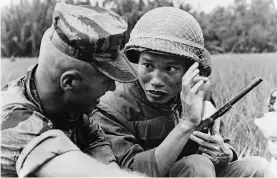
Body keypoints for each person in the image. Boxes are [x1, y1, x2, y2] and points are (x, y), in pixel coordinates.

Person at [93, 7, 276, 177]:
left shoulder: (197, 92)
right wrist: (186, 124)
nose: (156, 81)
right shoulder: (111, 107)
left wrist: (225, 153)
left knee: (257, 167)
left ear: (191, 72)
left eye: (170, 69)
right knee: (196, 165)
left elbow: (219, 141)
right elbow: (131, 171)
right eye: (148, 66)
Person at [1, 3, 143, 177]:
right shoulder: (12, 121)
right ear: (69, 82)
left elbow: (105, 160)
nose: (113, 87)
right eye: (106, 81)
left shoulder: (74, 111)